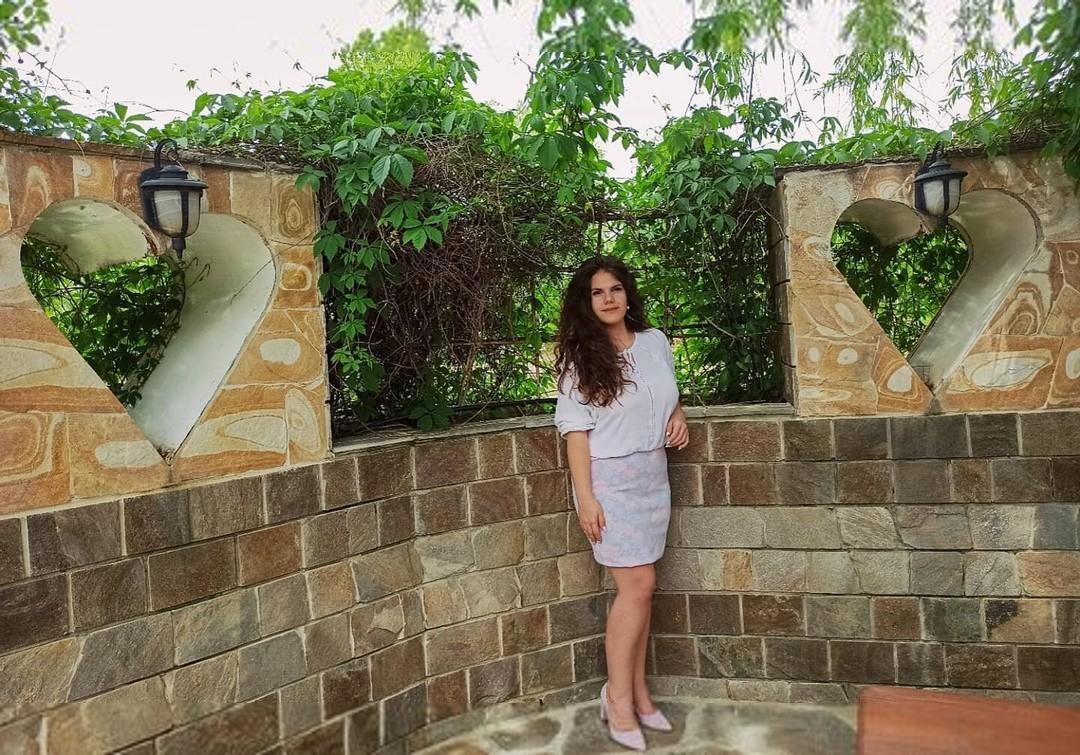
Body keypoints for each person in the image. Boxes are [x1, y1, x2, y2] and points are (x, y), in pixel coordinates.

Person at [554, 255, 689, 751]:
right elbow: (575, 432)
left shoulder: (654, 342)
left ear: (627, 293)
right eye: (597, 292)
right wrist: (586, 499)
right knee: (638, 586)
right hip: (609, 481)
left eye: (615, 288)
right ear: (586, 302)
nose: (608, 298)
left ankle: (639, 695)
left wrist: (678, 414)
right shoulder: (580, 360)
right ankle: (618, 700)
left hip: (653, 474)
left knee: (642, 592)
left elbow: (666, 394)